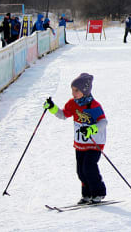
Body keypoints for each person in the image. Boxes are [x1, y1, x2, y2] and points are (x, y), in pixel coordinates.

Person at [43, 73, 108, 204]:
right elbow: (63, 115)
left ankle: (98, 193)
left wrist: (91, 129)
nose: (73, 93)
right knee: (80, 171)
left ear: (85, 90)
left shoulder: (94, 106)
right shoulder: (73, 103)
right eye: (72, 89)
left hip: (94, 143)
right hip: (80, 143)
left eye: (76, 90)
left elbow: (103, 122)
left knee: (89, 168)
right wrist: (52, 107)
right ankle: (87, 194)